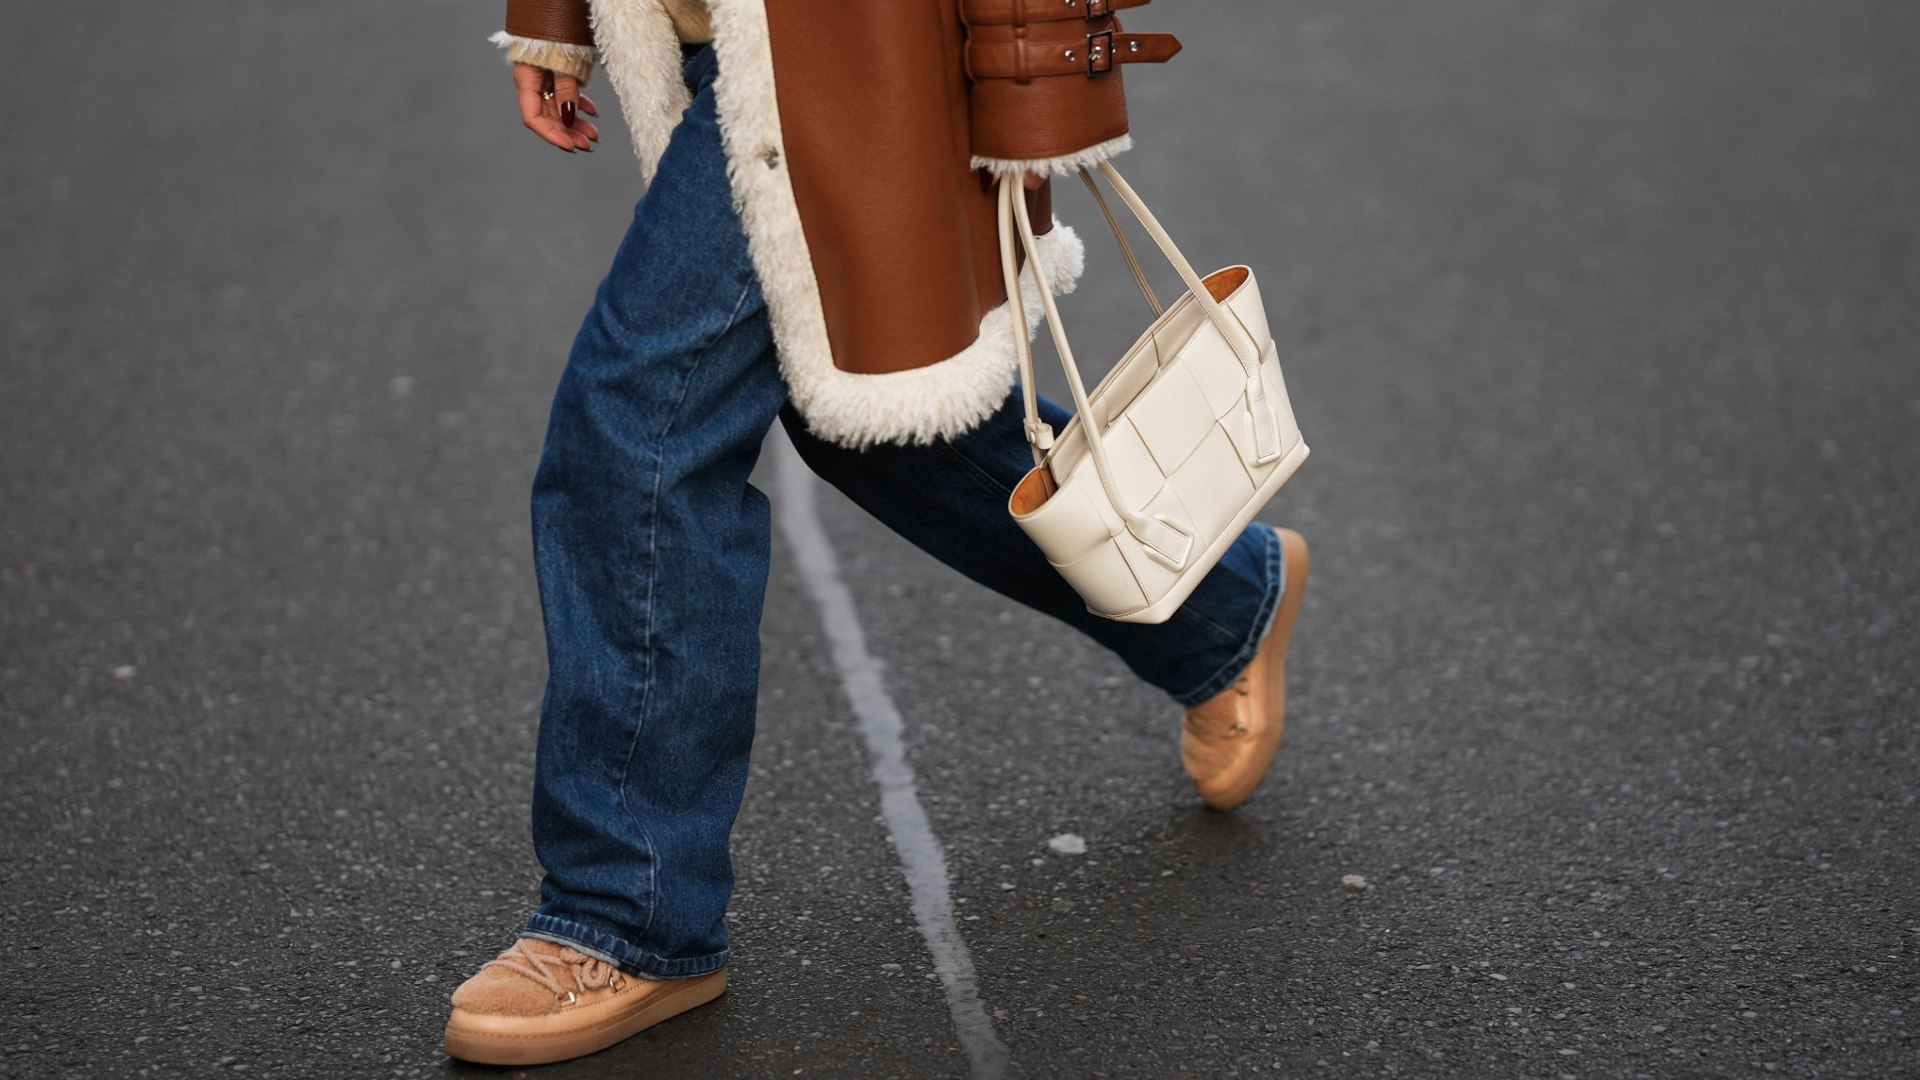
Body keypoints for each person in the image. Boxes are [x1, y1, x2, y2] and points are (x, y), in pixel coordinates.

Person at [442, 0, 1310, 1066]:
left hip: (848, 41)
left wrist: (1035, 73)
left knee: (633, 433)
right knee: (875, 419)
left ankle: (626, 913)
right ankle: (1216, 605)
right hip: (735, 44)